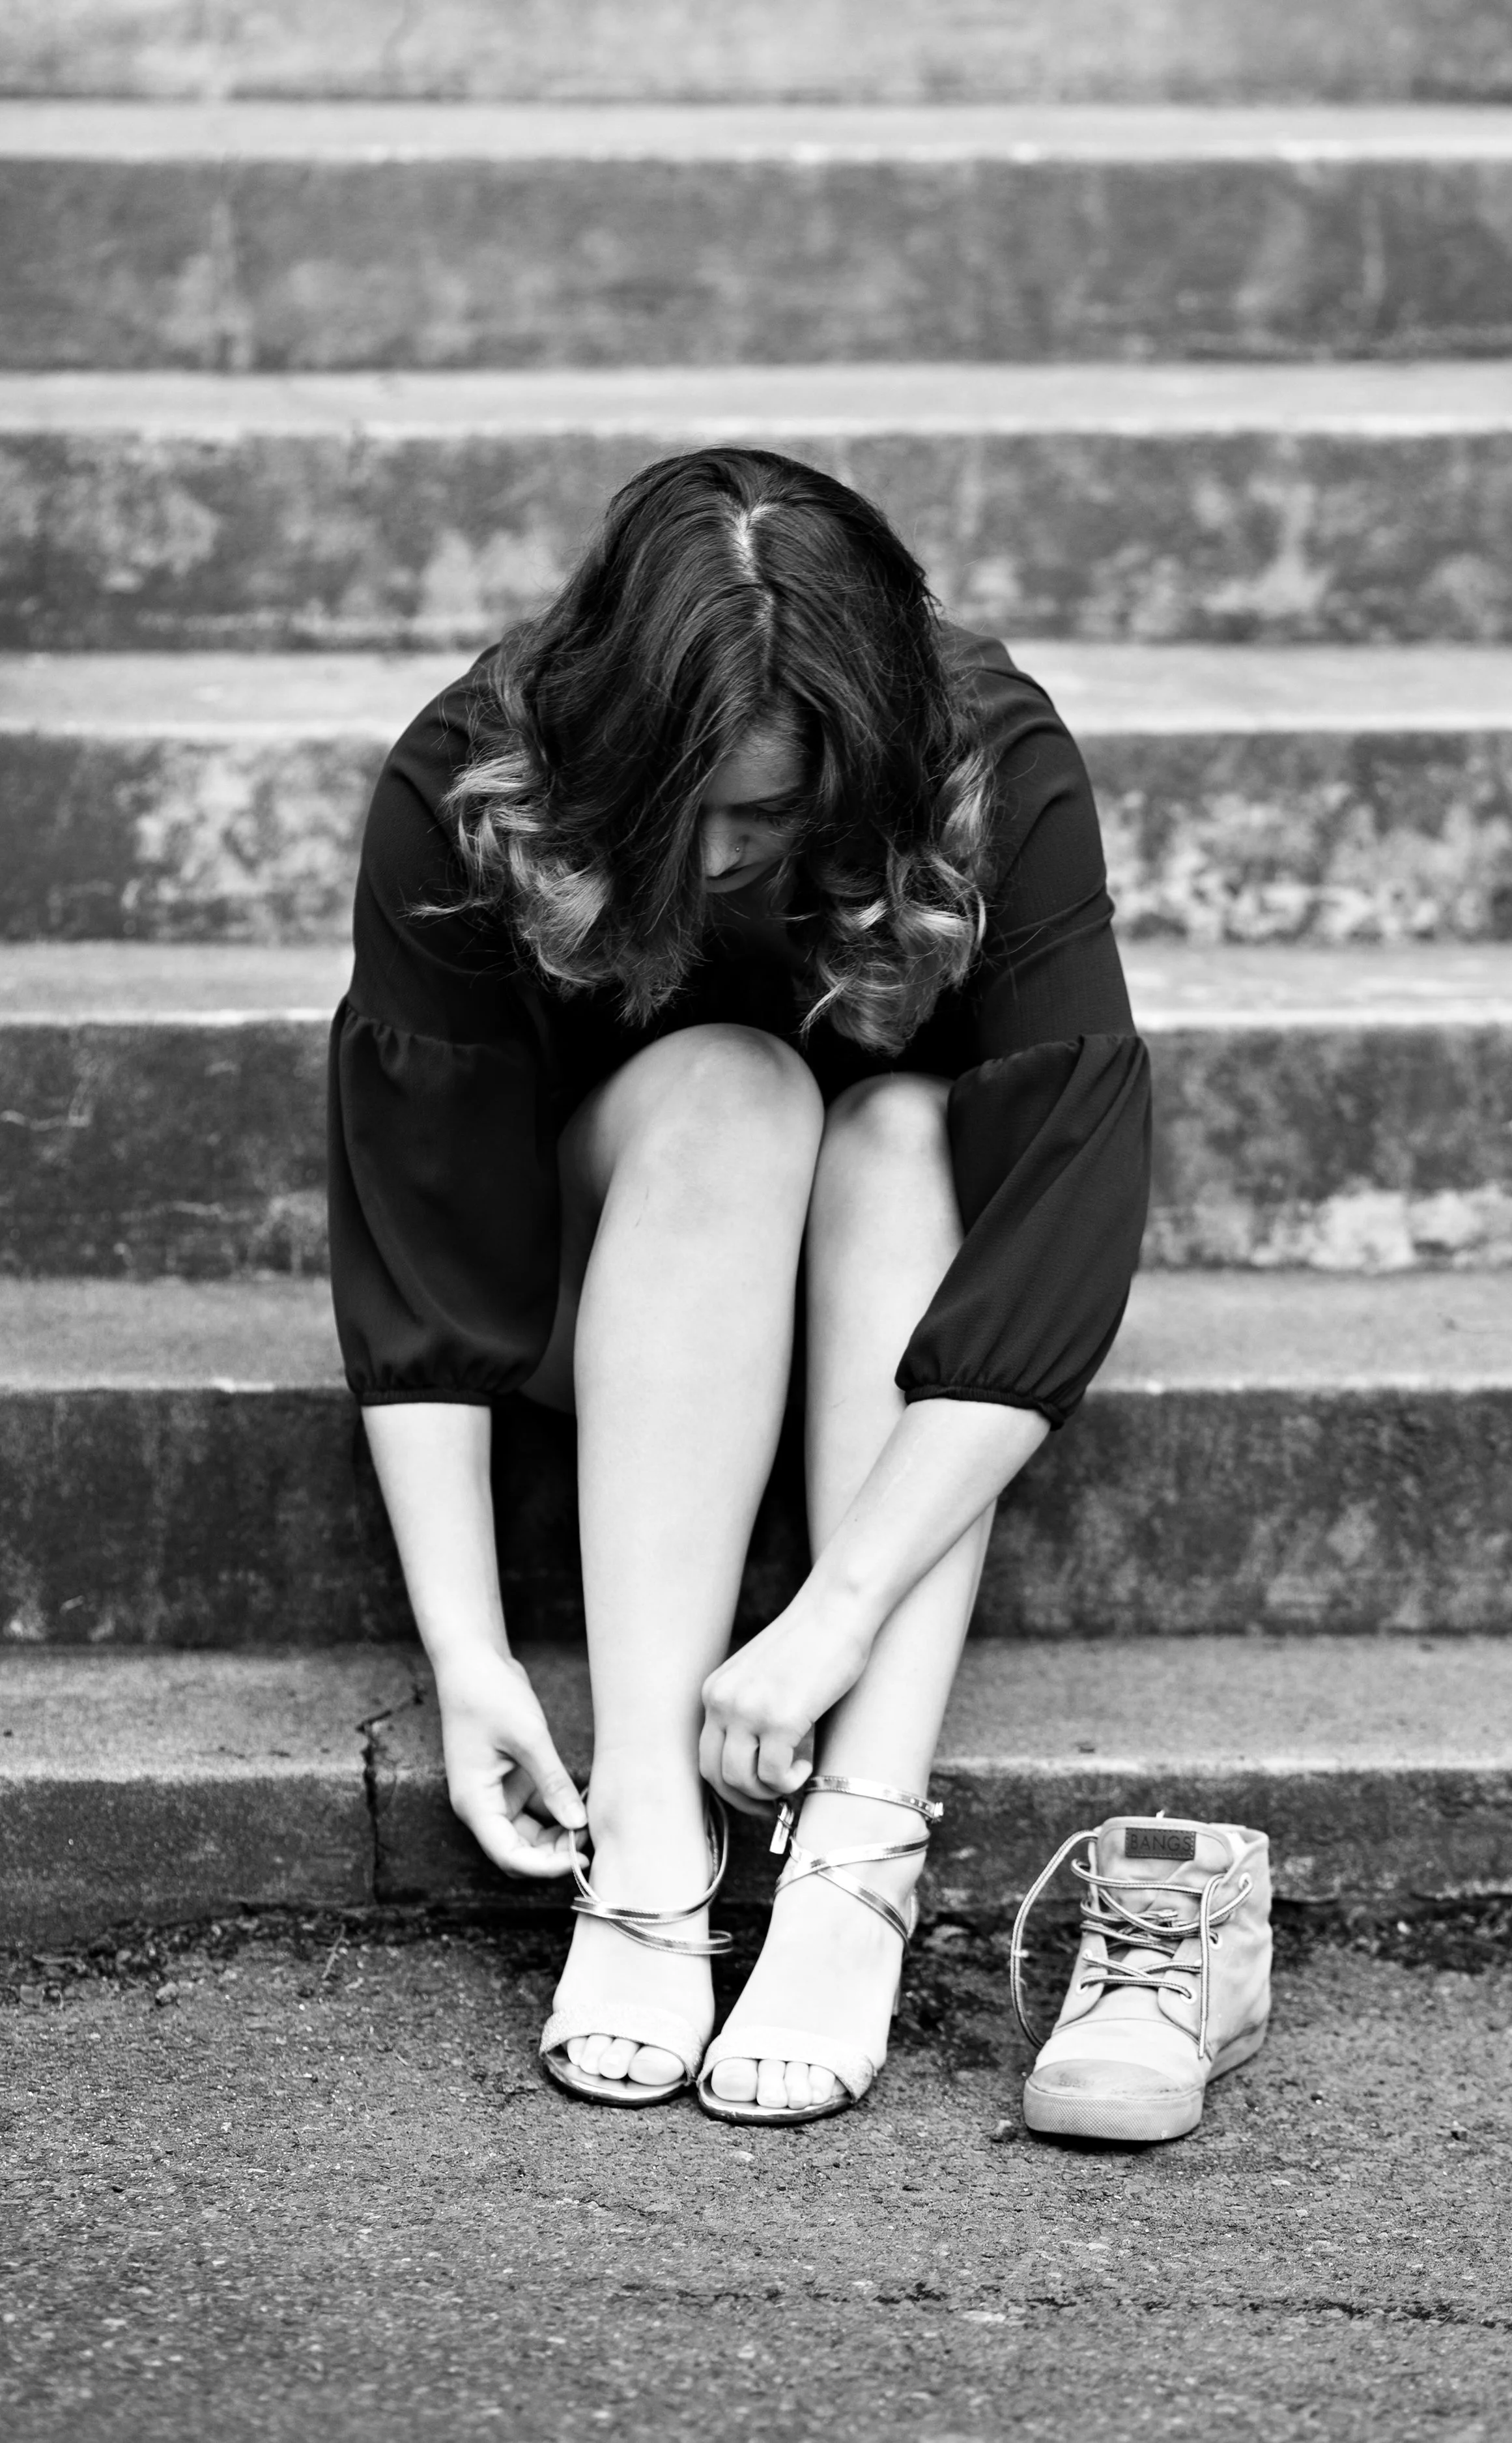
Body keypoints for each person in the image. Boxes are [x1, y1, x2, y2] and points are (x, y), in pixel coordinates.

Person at [327, 446, 1151, 2126]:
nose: (713, 858)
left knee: (908, 1131)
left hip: (890, 1290)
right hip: (615, 1276)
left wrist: (832, 1612)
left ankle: (859, 1845)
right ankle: (647, 1821)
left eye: (768, 817)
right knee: (735, 1083)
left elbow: (1062, 1215)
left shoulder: (988, 761)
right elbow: (424, 1225)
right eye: (675, 807)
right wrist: (469, 1654)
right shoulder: (478, 770)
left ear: (864, 756)